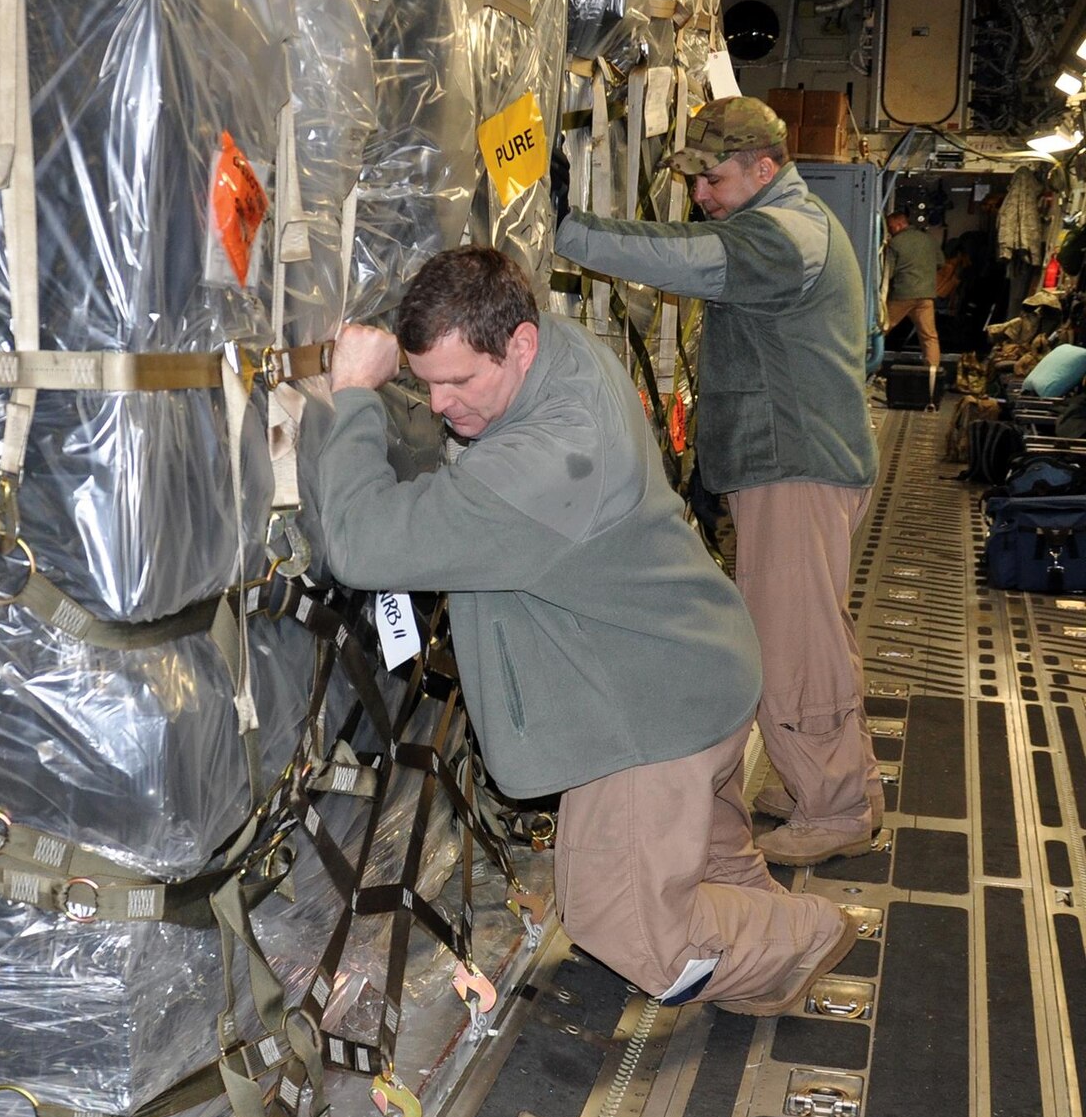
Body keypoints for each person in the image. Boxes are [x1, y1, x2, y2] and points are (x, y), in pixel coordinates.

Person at [300, 246, 855, 1015]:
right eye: (425, 383)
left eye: (459, 382)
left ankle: (809, 933)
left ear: (519, 344)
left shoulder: (549, 461)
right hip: (697, 665)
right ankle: (766, 965)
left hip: (651, 719)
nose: (439, 404)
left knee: (623, 923)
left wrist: (357, 396)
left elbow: (362, 545)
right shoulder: (556, 347)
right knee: (710, 871)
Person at [553, 97, 882, 867]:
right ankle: (839, 783)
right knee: (812, 632)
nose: (701, 195)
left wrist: (570, 230)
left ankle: (834, 807)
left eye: (714, 179)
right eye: (694, 181)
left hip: (795, 469)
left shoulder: (782, 236)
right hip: (794, 465)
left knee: (794, 645)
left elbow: (687, 258)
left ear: (764, 168)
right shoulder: (789, 226)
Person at [883, 209, 945, 372]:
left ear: (899, 224)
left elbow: (888, 273)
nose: (889, 230)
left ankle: (866, 364)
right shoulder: (928, 239)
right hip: (926, 294)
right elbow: (940, 262)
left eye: (890, 227)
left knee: (880, 329)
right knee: (929, 336)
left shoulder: (895, 243)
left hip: (902, 294)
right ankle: (932, 372)